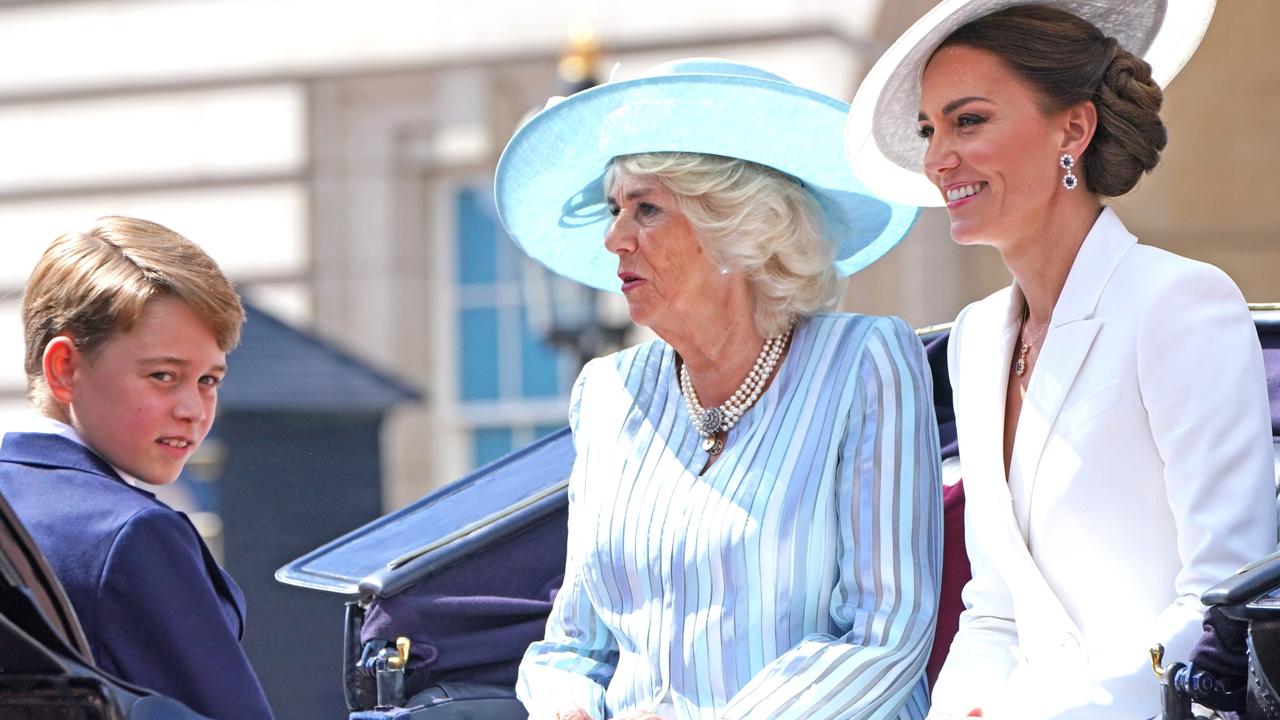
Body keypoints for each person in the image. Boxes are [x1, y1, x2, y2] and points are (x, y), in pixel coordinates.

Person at [846, 2, 1276, 718]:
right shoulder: (978, 338)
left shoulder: (1178, 302)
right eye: (930, 129)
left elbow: (1221, 603)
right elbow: (992, 610)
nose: (937, 158)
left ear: (1072, 128)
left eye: (968, 120)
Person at [496, 59, 943, 720]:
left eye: (646, 209)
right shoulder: (608, 392)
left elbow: (886, 634)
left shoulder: (864, 361)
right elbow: (571, 646)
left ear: (741, 233)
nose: (613, 237)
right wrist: (570, 706)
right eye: (616, 209)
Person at [0, 216, 274, 719]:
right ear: (64, 368)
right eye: (163, 375)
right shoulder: (132, 533)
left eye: (209, 380)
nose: (193, 408)